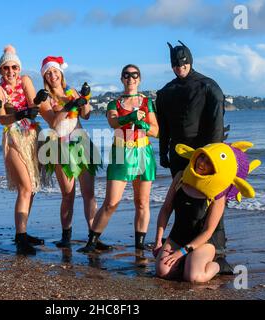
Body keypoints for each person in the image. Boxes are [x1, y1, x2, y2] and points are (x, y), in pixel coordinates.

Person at [155, 40, 231, 273]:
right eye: (176, 64)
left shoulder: (209, 86)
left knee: (210, 201)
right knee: (182, 201)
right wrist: (163, 151)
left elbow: (216, 123)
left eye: (184, 62)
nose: (180, 67)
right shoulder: (165, 92)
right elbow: (164, 126)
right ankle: (182, 248)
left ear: (190, 60)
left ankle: (216, 250)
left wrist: (213, 156)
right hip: (178, 156)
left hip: (205, 157)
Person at [78, 64, 159, 253]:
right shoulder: (114, 103)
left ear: (140, 79)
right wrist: (130, 117)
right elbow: (113, 123)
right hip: (122, 152)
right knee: (111, 202)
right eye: (127, 75)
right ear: (122, 79)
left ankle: (139, 245)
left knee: (142, 202)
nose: (131, 78)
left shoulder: (147, 103)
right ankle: (92, 242)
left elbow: (157, 131)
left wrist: (144, 125)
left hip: (143, 152)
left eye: (134, 75)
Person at [154, 142, 260, 282]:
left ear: (216, 168)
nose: (202, 163)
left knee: (194, 278)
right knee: (163, 272)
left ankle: (219, 265)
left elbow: (208, 231)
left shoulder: (218, 193)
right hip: (177, 238)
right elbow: (166, 209)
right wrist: (158, 241)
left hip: (204, 242)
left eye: (209, 162)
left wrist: (181, 252)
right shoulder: (181, 177)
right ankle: (187, 262)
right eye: (202, 157)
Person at [37, 56, 102, 249]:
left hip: (81, 143)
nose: (52, 75)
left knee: (89, 193)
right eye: (48, 73)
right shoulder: (44, 98)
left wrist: (84, 100)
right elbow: (54, 123)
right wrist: (70, 106)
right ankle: (66, 237)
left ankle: (93, 235)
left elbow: (87, 115)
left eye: (55, 71)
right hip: (60, 147)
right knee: (68, 194)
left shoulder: (71, 91)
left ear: (61, 72)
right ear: (45, 77)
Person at [0, 45, 46, 255]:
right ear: (1, 70)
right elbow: (1, 118)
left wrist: (36, 104)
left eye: (14, 67)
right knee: (25, 187)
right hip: (14, 137)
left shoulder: (25, 81)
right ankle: (21, 238)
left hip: (32, 136)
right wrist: (19, 114)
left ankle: (22, 232)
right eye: (6, 68)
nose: (11, 71)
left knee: (31, 188)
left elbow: (34, 106)